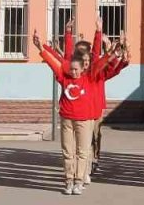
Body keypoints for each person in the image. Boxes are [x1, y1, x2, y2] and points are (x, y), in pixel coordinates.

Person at [35, 30, 116, 196]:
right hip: (67, 120)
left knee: (82, 152)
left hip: (84, 121)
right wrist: (40, 47)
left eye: (76, 69)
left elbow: (98, 62)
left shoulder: (90, 77)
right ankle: (69, 181)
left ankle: (79, 181)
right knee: (67, 151)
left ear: (82, 69)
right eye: (71, 69)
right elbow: (54, 62)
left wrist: (109, 52)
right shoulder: (64, 77)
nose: (74, 72)